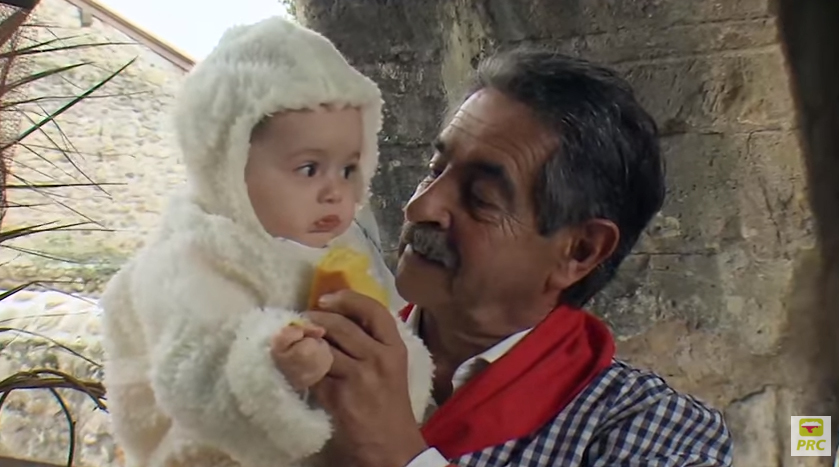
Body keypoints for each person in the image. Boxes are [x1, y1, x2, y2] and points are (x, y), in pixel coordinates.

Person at [303, 47, 734, 467]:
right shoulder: (319, 344)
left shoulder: (655, 433)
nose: (421, 208)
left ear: (579, 251)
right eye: (434, 170)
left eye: (479, 197)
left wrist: (398, 456)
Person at [98, 16, 432, 467]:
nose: (335, 190)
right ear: (229, 165)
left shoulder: (343, 248)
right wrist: (273, 370)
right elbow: (190, 375)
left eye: (348, 168)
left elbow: (390, 338)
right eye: (310, 168)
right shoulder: (191, 258)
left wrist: (397, 375)